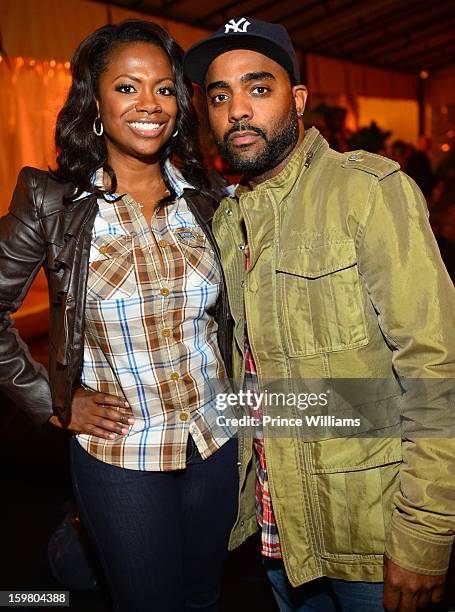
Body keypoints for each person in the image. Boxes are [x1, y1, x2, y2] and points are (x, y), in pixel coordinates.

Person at [183, 17, 455, 612]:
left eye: (259, 88)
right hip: (279, 537)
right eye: (221, 96)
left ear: (298, 100)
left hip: (372, 539)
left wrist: (427, 532)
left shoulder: (368, 191)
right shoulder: (227, 222)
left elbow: (437, 367)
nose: (238, 112)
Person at [0, 20, 238, 612]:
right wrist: (54, 401)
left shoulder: (210, 197)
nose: (149, 104)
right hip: (122, 456)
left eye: (163, 88)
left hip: (216, 442)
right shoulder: (53, 201)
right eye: (128, 88)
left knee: (204, 596)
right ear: (96, 103)